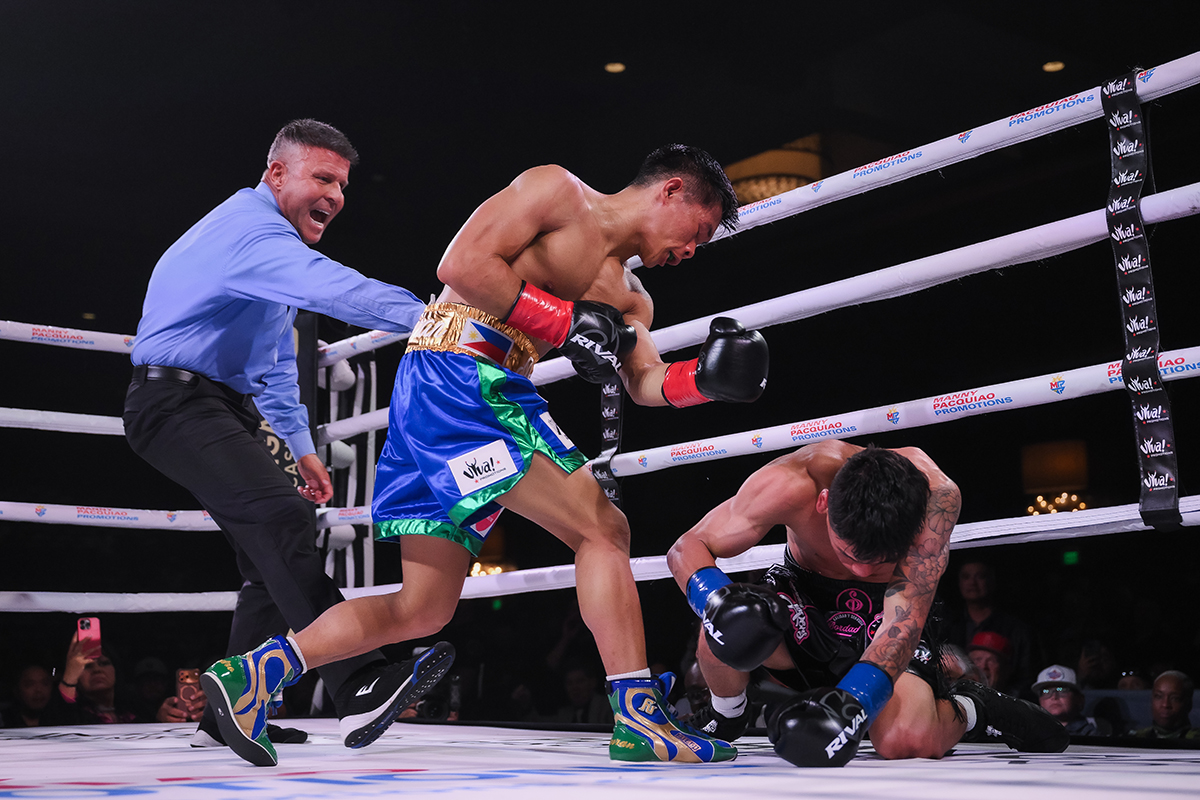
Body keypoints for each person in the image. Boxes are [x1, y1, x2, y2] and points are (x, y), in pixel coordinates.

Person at [205, 143, 769, 766]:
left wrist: (704, 382)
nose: (693, 250)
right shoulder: (557, 191)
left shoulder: (633, 299)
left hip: (452, 393)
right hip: (461, 378)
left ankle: (253, 676)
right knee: (603, 528)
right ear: (670, 191)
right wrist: (565, 323)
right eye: (699, 230)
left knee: (423, 607)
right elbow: (462, 263)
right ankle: (638, 718)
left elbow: (643, 380)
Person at [125, 119, 444, 762]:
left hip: (219, 406)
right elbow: (338, 287)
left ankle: (231, 711)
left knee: (263, 559)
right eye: (322, 177)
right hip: (174, 401)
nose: (336, 195)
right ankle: (358, 679)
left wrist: (301, 450)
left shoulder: (270, 262)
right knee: (280, 516)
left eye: (343, 184)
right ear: (277, 174)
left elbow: (272, 367)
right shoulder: (253, 233)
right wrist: (439, 316)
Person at [666, 440, 1069, 767]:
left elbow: (905, 618)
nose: (859, 571)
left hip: (886, 616)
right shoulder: (793, 482)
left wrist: (853, 703)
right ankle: (727, 713)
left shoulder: (935, 500)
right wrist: (718, 600)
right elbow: (687, 548)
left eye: (875, 559)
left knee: (904, 740)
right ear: (823, 503)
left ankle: (972, 707)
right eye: (848, 552)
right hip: (803, 602)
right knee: (726, 624)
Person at [949, 560, 1039, 692]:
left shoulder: (1015, 628)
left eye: (980, 576)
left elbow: (1027, 676)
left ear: (992, 581)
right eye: (966, 576)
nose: (972, 583)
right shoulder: (948, 625)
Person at [1033, 665, 1112, 736]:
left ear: (1079, 699)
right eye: (1046, 691)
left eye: (1062, 690)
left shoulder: (1092, 733)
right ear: (1040, 700)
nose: (1054, 696)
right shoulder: (1031, 731)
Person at [1133, 671, 1198, 739]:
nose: (1165, 704)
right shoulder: (1134, 740)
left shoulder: (1196, 741)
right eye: (1158, 696)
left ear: (1188, 704)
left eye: (1175, 698)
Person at [967, 631, 1019, 696]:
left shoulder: (1016, 703)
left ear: (1005, 669)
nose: (983, 666)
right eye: (978, 659)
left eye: (992, 661)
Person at [1, 663, 53, 728]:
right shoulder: (4, 720)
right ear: (16, 690)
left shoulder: (60, 718)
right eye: (29, 684)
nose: (38, 690)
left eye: (45, 683)